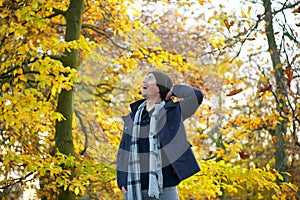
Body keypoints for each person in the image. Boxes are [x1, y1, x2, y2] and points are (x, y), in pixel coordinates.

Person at [116, 70, 204, 200]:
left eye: (150, 78)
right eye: (145, 78)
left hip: (165, 187)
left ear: (160, 87)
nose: (144, 81)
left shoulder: (173, 111)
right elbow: (123, 151)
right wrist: (122, 182)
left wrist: (173, 90)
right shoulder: (133, 117)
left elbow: (196, 96)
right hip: (134, 188)